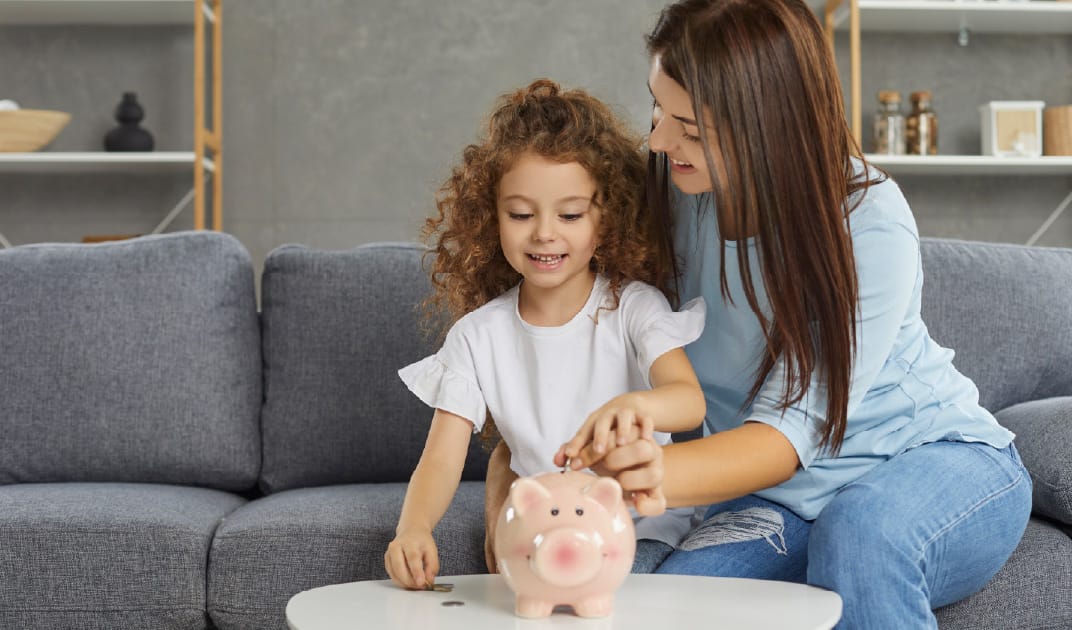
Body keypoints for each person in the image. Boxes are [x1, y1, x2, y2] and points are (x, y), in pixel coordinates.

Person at [489, 2, 1033, 627]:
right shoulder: (674, 186)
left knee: (860, 535)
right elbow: (562, 298)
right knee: (669, 608)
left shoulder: (868, 223)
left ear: (770, 128)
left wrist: (646, 473)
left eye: (690, 128)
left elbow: (785, 436)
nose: (659, 141)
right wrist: (517, 456)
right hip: (776, 499)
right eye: (658, 109)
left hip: (930, 459)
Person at [384, 78, 707, 590]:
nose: (544, 233)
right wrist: (414, 528)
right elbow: (442, 457)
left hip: (641, 531)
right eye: (520, 214)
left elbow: (689, 402)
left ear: (607, 217)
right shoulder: (477, 337)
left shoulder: (634, 308)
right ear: (492, 217)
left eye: (571, 214)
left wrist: (637, 410)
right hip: (541, 534)